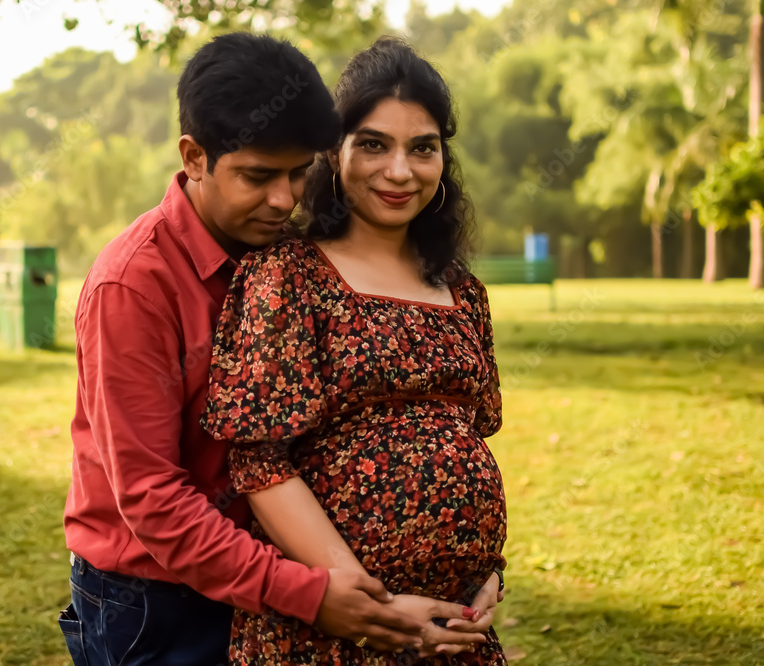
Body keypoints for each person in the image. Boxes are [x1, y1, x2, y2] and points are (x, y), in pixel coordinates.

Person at [60, 33, 483, 666]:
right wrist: (312, 595)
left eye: (298, 172)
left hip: (267, 581)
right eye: (258, 177)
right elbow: (151, 496)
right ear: (195, 156)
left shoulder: (285, 255)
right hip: (156, 600)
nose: (285, 200)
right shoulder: (134, 283)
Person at [203, 37, 508, 665]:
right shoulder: (288, 277)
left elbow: (466, 443)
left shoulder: (463, 293)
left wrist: (487, 574)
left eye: (422, 148)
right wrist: (368, 605)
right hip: (331, 627)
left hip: (454, 631)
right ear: (333, 155)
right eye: (373, 144)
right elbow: (261, 463)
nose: (400, 171)